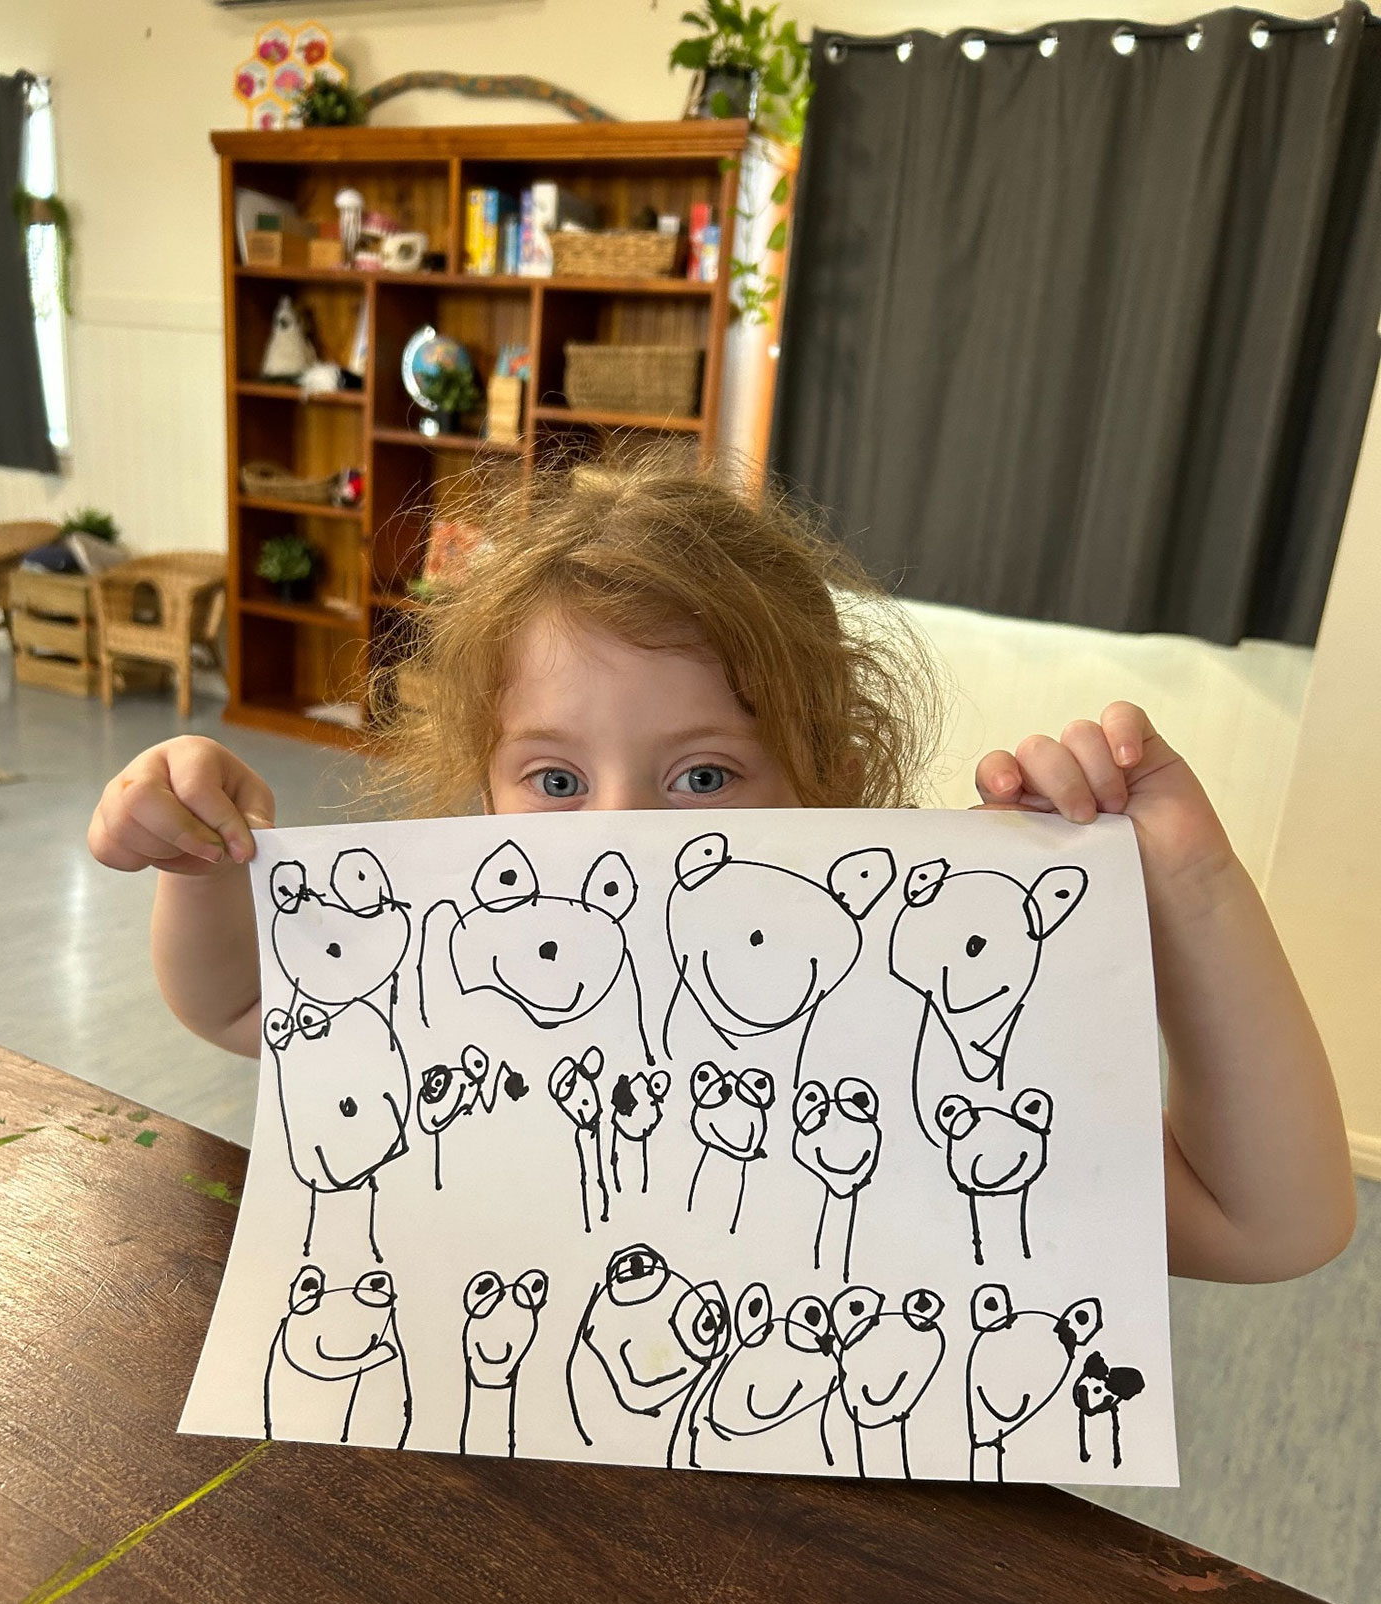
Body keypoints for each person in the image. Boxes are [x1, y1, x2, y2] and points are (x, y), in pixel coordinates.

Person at [88, 464, 1355, 1284]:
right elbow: (238, 1004)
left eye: (703, 776)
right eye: (553, 780)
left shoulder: (899, 1028)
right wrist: (201, 861)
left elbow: (1273, 1224)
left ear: (822, 777)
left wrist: (1188, 884)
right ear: (475, 789)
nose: (626, 840)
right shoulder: (467, 981)